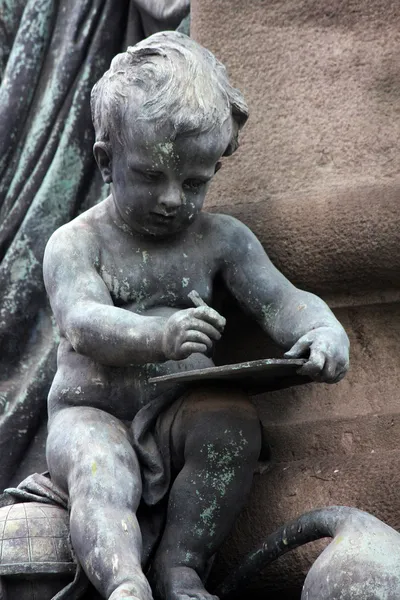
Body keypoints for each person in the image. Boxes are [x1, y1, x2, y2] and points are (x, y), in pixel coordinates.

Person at [43, 32, 350, 600]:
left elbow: (282, 301)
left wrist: (322, 329)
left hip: (178, 408)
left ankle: (182, 566)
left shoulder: (221, 240)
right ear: (107, 162)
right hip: (92, 410)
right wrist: (158, 333)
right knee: (100, 473)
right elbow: (81, 320)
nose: (170, 198)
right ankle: (124, 582)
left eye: (193, 182)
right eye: (151, 175)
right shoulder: (77, 242)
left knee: (232, 427)